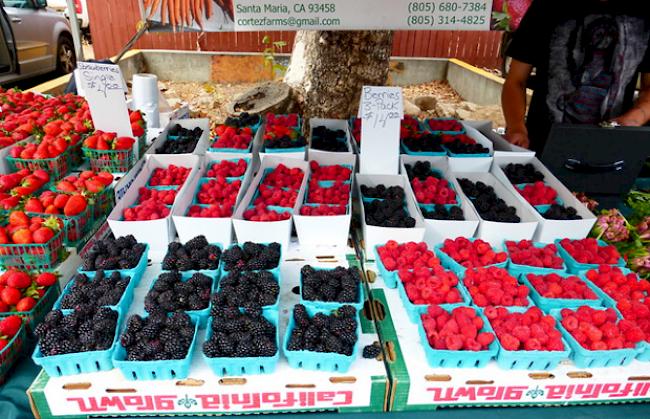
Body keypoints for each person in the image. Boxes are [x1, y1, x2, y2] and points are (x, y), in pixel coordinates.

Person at [502, 0, 650, 152]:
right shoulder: (547, 6)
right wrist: (516, 128)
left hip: (611, 151)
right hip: (543, 147)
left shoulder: (645, 13)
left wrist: (635, 118)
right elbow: (515, 80)